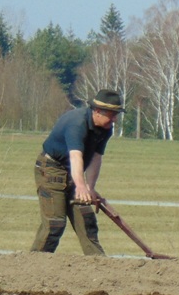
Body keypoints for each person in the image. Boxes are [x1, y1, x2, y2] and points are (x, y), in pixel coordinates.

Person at [31, 89, 125, 255]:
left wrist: (90, 187)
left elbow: (96, 158)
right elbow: (75, 156)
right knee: (55, 223)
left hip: (75, 172)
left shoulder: (105, 128)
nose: (115, 119)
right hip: (52, 169)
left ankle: (98, 263)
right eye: (112, 114)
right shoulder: (77, 124)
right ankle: (35, 263)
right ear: (97, 111)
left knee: (86, 220)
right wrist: (80, 186)